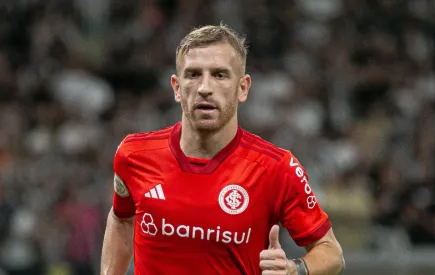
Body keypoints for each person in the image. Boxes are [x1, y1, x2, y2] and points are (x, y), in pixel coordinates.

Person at [100, 23, 344, 275]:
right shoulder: (134, 154)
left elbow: (331, 252)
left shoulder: (276, 167)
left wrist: (295, 270)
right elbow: (122, 219)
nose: (205, 88)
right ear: (176, 88)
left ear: (243, 88)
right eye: (193, 74)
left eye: (219, 75)